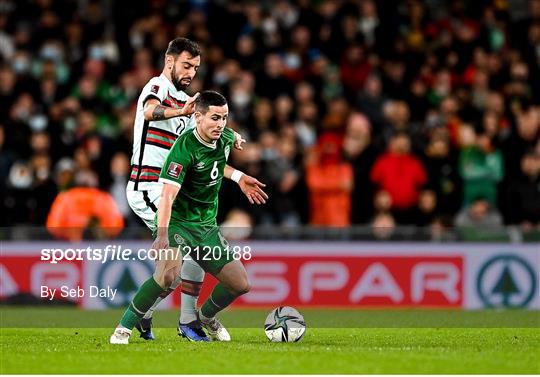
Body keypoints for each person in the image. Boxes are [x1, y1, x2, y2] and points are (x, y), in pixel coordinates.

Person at [110, 91, 268, 344]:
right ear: (197, 117)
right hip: (179, 225)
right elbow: (168, 197)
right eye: (215, 118)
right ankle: (123, 328)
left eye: (224, 118)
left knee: (240, 284)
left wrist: (239, 177)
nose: (221, 124)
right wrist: (161, 235)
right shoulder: (182, 150)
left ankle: (204, 317)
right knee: (167, 276)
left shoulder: (224, 137)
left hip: (206, 227)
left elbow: (218, 159)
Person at [125, 38, 253, 342]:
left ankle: (166, 317)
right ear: (169, 61)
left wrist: (236, 173)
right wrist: (178, 112)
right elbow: (149, 112)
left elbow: (198, 161)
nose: (191, 72)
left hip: (173, 187)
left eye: (195, 67)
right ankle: (181, 320)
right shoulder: (156, 87)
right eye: (186, 65)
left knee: (181, 257)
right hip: (149, 187)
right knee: (177, 258)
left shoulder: (189, 106)